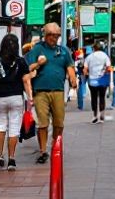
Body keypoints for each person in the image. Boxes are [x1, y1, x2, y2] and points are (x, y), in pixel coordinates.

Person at [25, 23, 77, 164]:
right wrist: (39, 64)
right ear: (45, 35)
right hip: (40, 92)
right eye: (52, 35)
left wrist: (73, 79)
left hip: (58, 91)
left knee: (59, 122)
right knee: (42, 123)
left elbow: (70, 66)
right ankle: (43, 151)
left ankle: (56, 145)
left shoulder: (63, 51)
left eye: (57, 35)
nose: (54, 38)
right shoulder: (37, 49)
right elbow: (28, 67)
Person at [0, 34, 32, 170]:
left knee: (0, 126)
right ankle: (11, 159)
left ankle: (0, 156)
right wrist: (30, 97)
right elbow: (26, 81)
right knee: (14, 127)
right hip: (16, 97)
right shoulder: (21, 62)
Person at [83, 42, 112, 123]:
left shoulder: (89, 57)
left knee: (94, 97)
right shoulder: (105, 56)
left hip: (92, 80)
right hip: (102, 79)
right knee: (102, 97)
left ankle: (95, 115)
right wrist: (104, 72)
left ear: (94, 49)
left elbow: (85, 70)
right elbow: (109, 67)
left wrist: (87, 74)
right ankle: (102, 115)